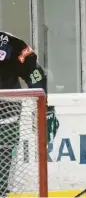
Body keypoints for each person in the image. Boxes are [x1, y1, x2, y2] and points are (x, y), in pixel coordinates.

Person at [0, 31, 59, 195]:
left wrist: (43, 107)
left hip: (7, 116)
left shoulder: (12, 43)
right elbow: (36, 75)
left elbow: (35, 74)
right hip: (8, 114)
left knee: (4, 156)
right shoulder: (12, 43)